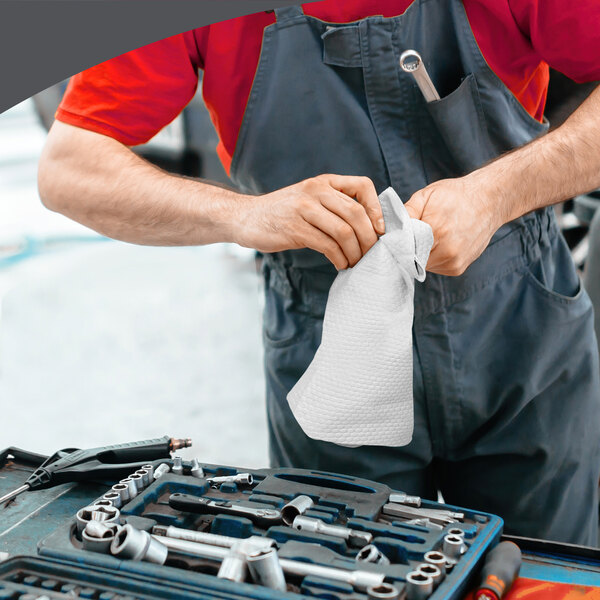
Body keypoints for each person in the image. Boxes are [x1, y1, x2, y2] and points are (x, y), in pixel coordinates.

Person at [38, 1, 600, 545]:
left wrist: (499, 193)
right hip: (328, 343)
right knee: (343, 568)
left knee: (546, 577)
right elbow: (69, 169)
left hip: (519, 327)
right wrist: (244, 214)